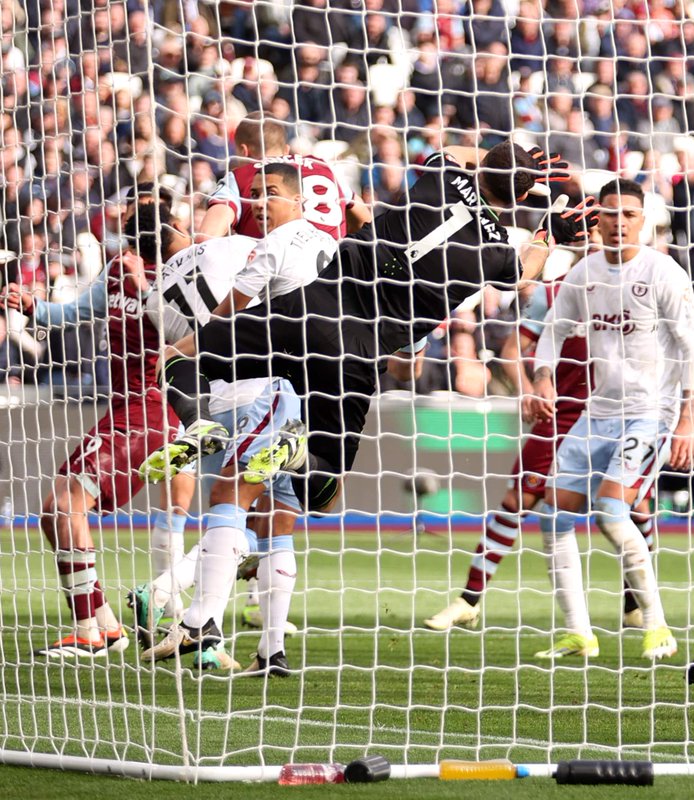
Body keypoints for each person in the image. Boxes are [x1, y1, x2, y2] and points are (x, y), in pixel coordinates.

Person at [140, 143, 579, 606]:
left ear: (483, 164)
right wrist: (549, 232)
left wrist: (500, 159)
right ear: (516, 200)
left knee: (177, 355)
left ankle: (197, 421)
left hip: (305, 308)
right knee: (323, 495)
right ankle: (292, 454)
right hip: (356, 353)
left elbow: (450, 149)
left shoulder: (441, 178)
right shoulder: (494, 252)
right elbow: (522, 272)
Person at [137, 164, 338, 672]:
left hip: (268, 387)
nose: (258, 203)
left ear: (297, 200)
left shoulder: (264, 248)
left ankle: (197, 614)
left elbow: (229, 315)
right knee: (277, 521)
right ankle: (271, 650)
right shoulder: (330, 247)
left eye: (269, 193)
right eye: (253, 195)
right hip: (316, 395)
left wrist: (177, 353)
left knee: (229, 495)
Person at [525, 178, 694, 662]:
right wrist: (542, 379)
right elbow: (551, 332)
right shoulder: (584, 274)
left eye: (628, 214)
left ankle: (657, 625)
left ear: (642, 220)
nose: (618, 222)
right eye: (610, 214)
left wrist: (687, 420)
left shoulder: (663, 272)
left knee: (609, 512)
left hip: (652, 413)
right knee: (552, 516)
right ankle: (579, 633)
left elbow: (692, 349)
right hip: (597, 413)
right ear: (596, 218)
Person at [422, 278, 656, 632]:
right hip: (561, 414)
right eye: (589, 222)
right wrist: (528, 391)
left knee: (636, 506)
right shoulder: (553, 291)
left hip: (622, 414)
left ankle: (632, 605)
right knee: (518, 499)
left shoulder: (643, 283)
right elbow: (514, 348)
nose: (597, 230)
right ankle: (468, 601)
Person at [2, 202, 176, 658]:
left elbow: (192, 333)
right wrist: (34, 306)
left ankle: (91, 629)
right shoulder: (118, 268)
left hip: (154, 412)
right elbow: (79, 312)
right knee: (52, 511)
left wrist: (147, 285)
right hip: (121, 410)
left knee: (64, 505)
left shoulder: (181, 276)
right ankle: (105, 624)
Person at [199, 111, 371, 241]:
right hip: (333, 274)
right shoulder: (322, 166)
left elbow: (206, 238)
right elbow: (364, 218)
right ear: (286, 150)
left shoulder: (239, 177)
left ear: (244, 151)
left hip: (276, 278)